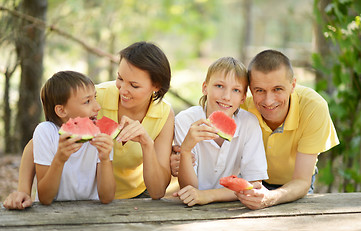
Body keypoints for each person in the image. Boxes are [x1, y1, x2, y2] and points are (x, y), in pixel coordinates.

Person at [3, 41, 174, 209]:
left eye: (134, 85)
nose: (122, 90)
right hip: (92, 199)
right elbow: (38, 143)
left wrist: (147, 144)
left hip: (135, 197)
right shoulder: (95, 98)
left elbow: (158, 191)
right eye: (120, 78)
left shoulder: (164, 115)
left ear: (156, 86)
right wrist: (23, 190)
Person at [233, 49, 339, 209]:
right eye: (259, 90)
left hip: (295, 185)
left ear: (293, 85)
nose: (268, 101)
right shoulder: (241, 107)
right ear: (250, 90)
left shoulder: (313, 107)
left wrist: (270, 197)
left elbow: (302, 181)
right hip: (250, 181)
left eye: (277, 89)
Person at [172, 57, 268, 206]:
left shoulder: (249, 123)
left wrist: (208, 196)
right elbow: (189, 188)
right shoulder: (185, 121)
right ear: (205, 87)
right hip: (192, 208)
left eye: (236, 90)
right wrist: (185, 150)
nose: (226, 96)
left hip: (233, 207)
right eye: (219, 86)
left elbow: (253, 185)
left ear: (243, 97)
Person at [34, 71, 115, 205]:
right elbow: (45, 198)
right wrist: (59, 159)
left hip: (92, 213)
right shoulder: (45, 132)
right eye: (87, 101)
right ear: (61, 110)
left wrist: (105, 159)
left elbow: (107, 197)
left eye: (95, 98)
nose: (98, 107)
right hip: (52, 215)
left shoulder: (100, 134)